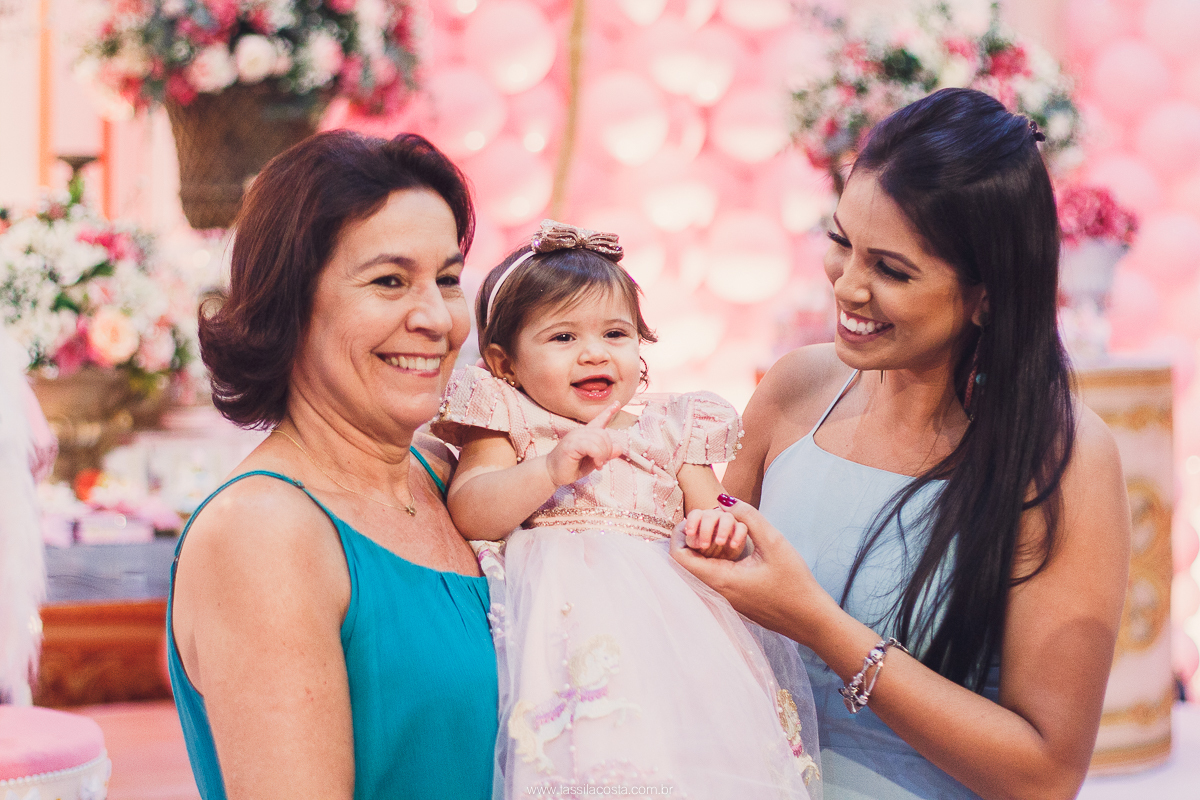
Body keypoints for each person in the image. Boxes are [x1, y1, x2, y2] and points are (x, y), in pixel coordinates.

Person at [671, 88, 1132, 800]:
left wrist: (822, 627)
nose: (849, 287)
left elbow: (1045, 775)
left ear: (986, 294)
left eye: (891, 270)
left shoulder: (1059, 456)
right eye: (840, 243)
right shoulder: (796, 388)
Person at [430, 220, 821, 799]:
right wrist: (547, 468)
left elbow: (719, 517)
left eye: (616, 333)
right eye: (563, 338)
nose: (594, 353)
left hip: (670, 634)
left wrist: (717, 531)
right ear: (504, 362)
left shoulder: (672, 428)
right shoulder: (512, 420)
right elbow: (470, 511)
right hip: (557, 636)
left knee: (681, 760)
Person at [167, 131, 498, 800]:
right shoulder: (262, 533)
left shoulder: (451, 477)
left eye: (446, 280)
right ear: (291, 303)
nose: (435, 317)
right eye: (389, 281)